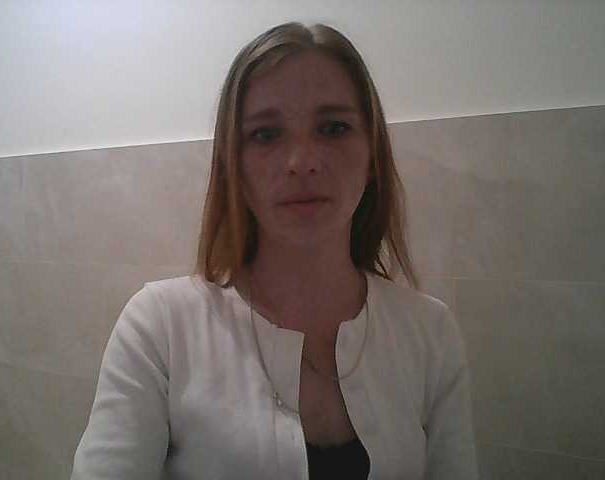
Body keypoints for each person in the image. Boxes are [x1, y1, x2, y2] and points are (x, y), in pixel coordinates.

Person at [71, 22, 479, 479]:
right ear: (233, 165)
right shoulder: (159, 327)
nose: (302, 162)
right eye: (266, 134)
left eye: (334, 128)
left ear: (372, 156)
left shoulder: (430, 333)